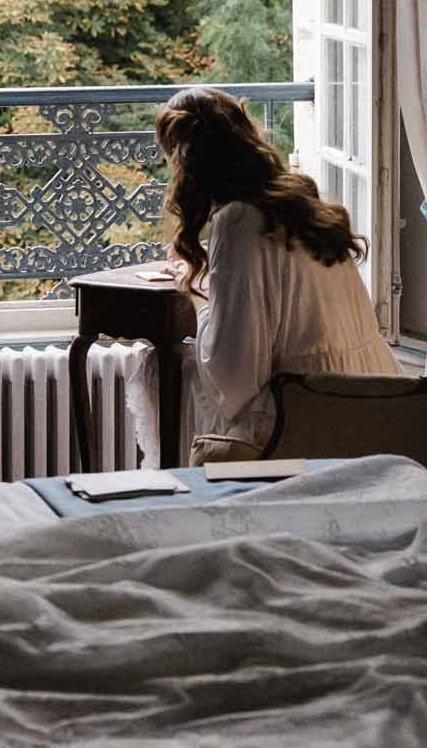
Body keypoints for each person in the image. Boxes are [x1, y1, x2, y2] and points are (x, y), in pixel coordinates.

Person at [154, 85, 399, 465]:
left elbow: (234, 377)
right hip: (378, 407)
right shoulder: (302, 204)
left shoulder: (239, 220)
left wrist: (202, 297)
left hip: (310, 420)